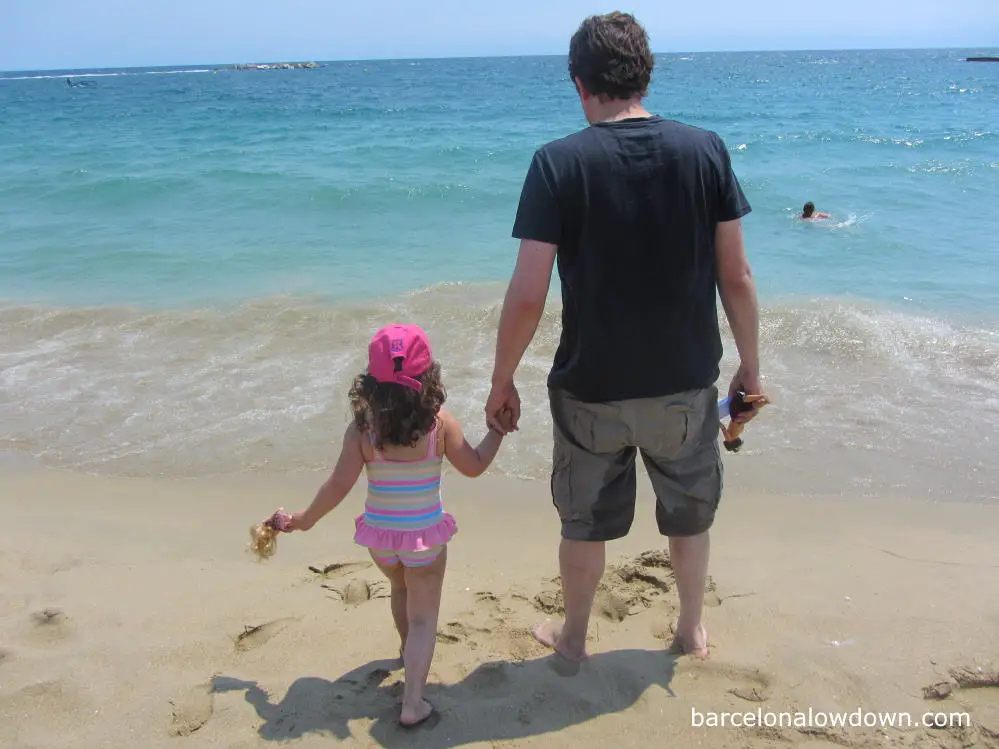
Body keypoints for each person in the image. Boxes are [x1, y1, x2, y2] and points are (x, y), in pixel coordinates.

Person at [485, 12, 762, 663]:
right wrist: (751, 366)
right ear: (645, 74)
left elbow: (527, 293)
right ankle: (690, 630)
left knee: (584, 519)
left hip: (591, 387)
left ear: (579, 84)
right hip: (683, 384)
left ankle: (574, 636)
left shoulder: (556, 163)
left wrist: (501, 380)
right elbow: (737, 275)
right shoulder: (704, 150)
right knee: (689, 512)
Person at [270, 324, 508, 727]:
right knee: (424, 619)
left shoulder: (363, 431)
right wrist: (497, 432)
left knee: (399, 589)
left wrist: (303, 521)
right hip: (425, 539)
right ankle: (413, 701)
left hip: (380, 539)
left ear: (370, 385)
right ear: (429, 377)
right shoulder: (441, 426)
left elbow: (337, 486)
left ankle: (405, 651)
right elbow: (475, 465)